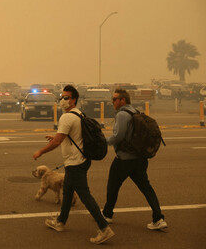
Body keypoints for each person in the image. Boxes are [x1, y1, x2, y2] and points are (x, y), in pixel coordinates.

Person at [33, 85, 114, 244]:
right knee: (67, 192)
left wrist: (41, 152)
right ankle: (61, 222)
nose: (63, 100)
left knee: (85, 196)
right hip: (80, 161)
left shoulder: (66, 117)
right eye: (62, 97)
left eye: (66, 97)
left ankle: (104, 228)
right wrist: (56, 137)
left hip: (76, 163)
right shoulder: (79, 114)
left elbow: (58, 142)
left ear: (74, 99)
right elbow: (70, 136)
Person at [102, 88, 167, 230]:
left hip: (124, 159)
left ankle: (107, 215)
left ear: (122, 100)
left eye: (114, 99)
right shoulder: (134, 112)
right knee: (146, 188)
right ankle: (158, 218)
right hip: (139, 159)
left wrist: (104, 142)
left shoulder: (122, 115)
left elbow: (118, 136)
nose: (112, 102)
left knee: (112, 186)